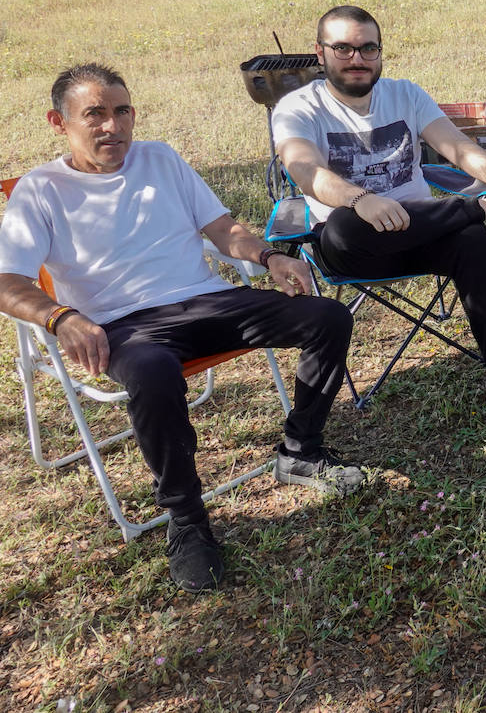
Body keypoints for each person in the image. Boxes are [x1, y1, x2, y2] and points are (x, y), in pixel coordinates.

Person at [0, 64, 360, 592]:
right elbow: (8, 280)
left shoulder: (161, 158)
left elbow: (220, 229)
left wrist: (268, 257)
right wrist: (60, 317)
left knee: (327, 317)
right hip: (126, 327)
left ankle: (300, 449)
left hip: (209, 301)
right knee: (149, 372)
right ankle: (188, 520)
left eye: (122, 111)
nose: (112, 127)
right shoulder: (41, 190)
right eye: (94, 114)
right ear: (59, 122)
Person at [272, 5, 486, 441]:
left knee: (476, 246)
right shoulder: (298, 107)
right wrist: (360, 199)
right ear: (320, 53)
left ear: (380, 52)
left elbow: (457, 146)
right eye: (344, 48)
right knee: (344, 227)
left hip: (425, 234)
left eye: (368, 48)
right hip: (357, 246)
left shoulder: (405, 94)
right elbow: (305, 171)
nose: (357, 59)